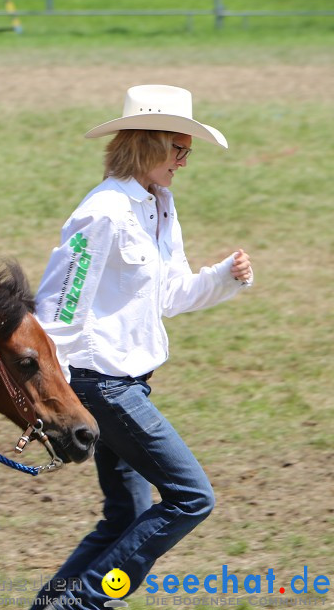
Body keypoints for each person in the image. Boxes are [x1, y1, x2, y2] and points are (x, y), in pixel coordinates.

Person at [30, 85, 254, 609]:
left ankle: (52, 605)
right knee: (192, 497)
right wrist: (51, 395)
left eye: (187, 151)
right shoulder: (103, 212)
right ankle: (82, 602)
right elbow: (58, 307)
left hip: (129, 383)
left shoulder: (159, 206)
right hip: (99, 384)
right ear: (147, 144)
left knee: (128, 517)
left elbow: (171, 295)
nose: (183, 161)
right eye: (178, 148)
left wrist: (225, 277)